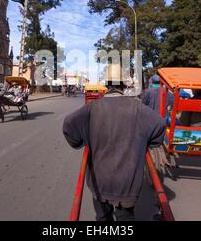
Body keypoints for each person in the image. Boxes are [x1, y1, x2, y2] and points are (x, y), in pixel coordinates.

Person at [63, 80, 166, 221]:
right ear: (123, 87)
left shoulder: (92, 107)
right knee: (126, 218)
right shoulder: (138, 108)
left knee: (103, 217)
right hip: (127, 183)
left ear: (107, 86)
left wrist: (80, 141)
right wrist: (148, 142)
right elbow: (160, 124)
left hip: (100, 181)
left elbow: (69, 124)